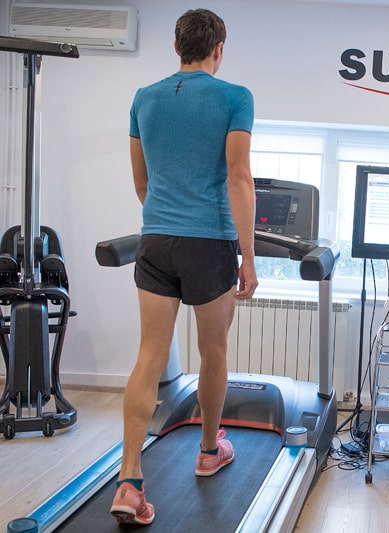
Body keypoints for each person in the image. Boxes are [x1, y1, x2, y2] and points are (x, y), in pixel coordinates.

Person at [109, 9, 258, 525]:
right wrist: (248, 256)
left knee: (149, 355)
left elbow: (142, 182)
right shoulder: (235, 97)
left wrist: (165, 221)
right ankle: (209, 451)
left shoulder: (143, 99)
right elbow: (239, 177)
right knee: (212, 351)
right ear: (218, 48)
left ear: (177, 47)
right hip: (209, 242)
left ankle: (129, 482)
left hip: (155, 239)